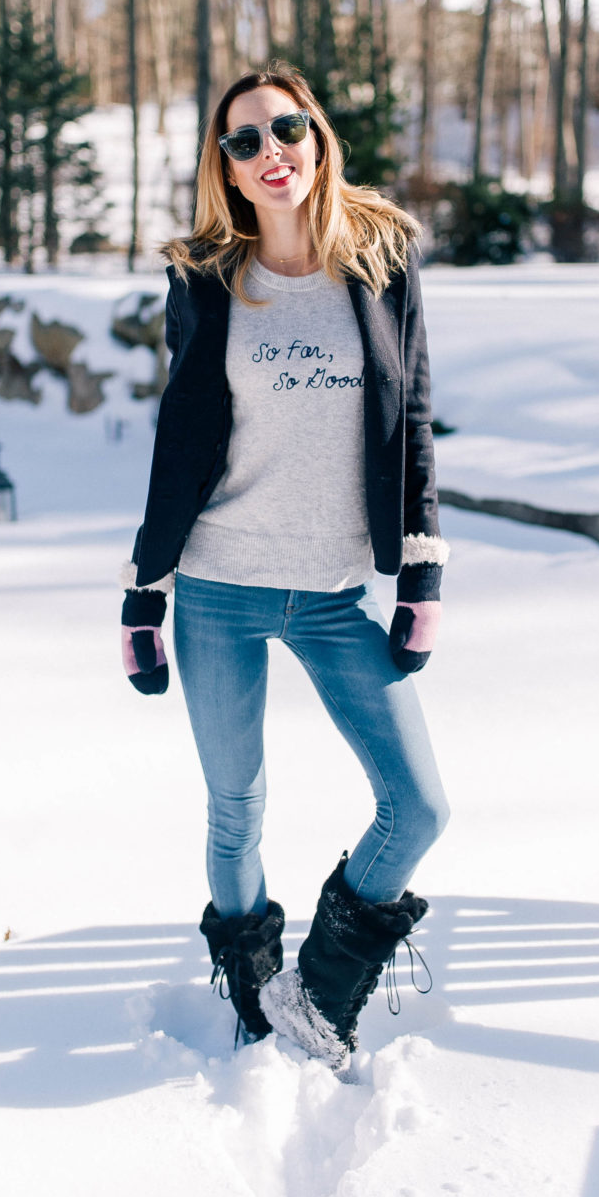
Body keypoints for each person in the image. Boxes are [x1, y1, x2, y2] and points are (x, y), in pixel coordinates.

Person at [121, 63, 449, 1076]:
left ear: (317, 136)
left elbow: (418, 418)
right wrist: (144, 590)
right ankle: (257, 1012)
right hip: (216, 585)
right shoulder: (207, 279)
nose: (270, 153)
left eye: (286, 129)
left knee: (419, 806)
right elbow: (180, 440)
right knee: (235, 809)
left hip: (333, 591)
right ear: (222, 164)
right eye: (243, 140)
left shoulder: (382, 257)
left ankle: (315, 988)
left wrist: (421, 572)